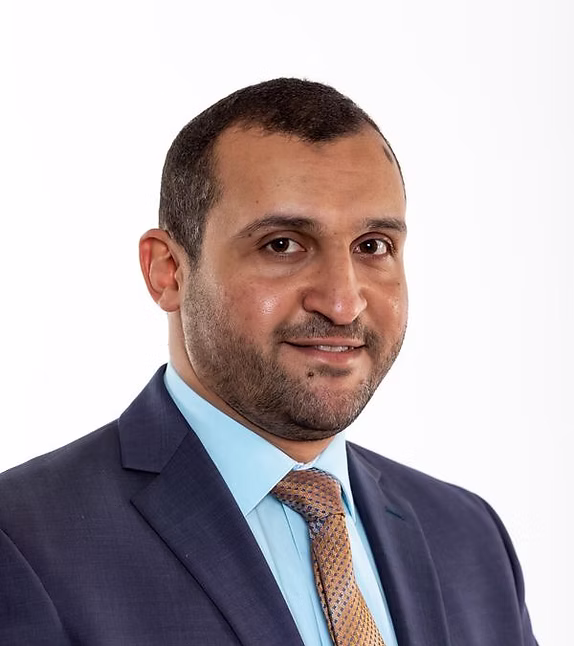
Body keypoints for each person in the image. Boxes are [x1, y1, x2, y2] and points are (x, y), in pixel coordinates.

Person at [0, 78, 537, 646]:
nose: (342, 302)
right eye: (282, 244)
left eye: (372, 246)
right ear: (168, 272)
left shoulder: (471, 539)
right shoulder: (25, 542)